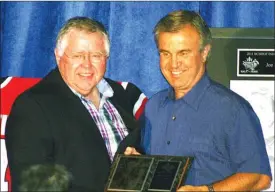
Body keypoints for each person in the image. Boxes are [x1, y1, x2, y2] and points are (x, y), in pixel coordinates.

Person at [125, 10, 272, 191]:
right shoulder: (153, 108)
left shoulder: (232, 109)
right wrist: (136, 164)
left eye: (183, 53)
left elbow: (259, 177)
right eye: (166, 53)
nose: (173, 64)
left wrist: (207, 190)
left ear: (204, 53)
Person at [5, 17, 147, 192]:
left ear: (106, 58)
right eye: (78, 56)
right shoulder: (32, 107)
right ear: (58, 56)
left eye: (96, 56)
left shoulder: (120, 95)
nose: (87, 65)